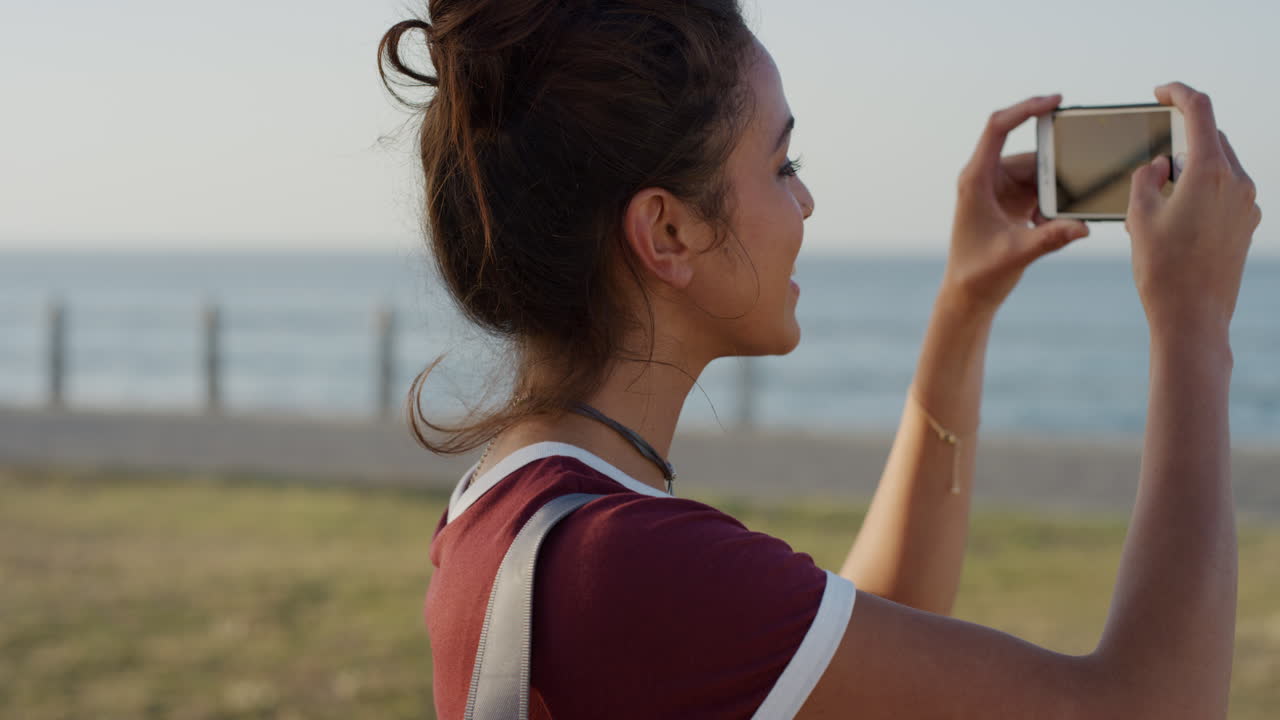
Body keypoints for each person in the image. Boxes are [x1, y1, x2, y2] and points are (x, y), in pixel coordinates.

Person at [378, 1, 1261, 717]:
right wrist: (1195, 323)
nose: (805, 201)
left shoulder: (512, 509)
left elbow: (862, 636)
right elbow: (1153, 705)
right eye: (781, 162)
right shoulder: (625, 566)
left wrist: (964, 304)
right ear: (668, 232)